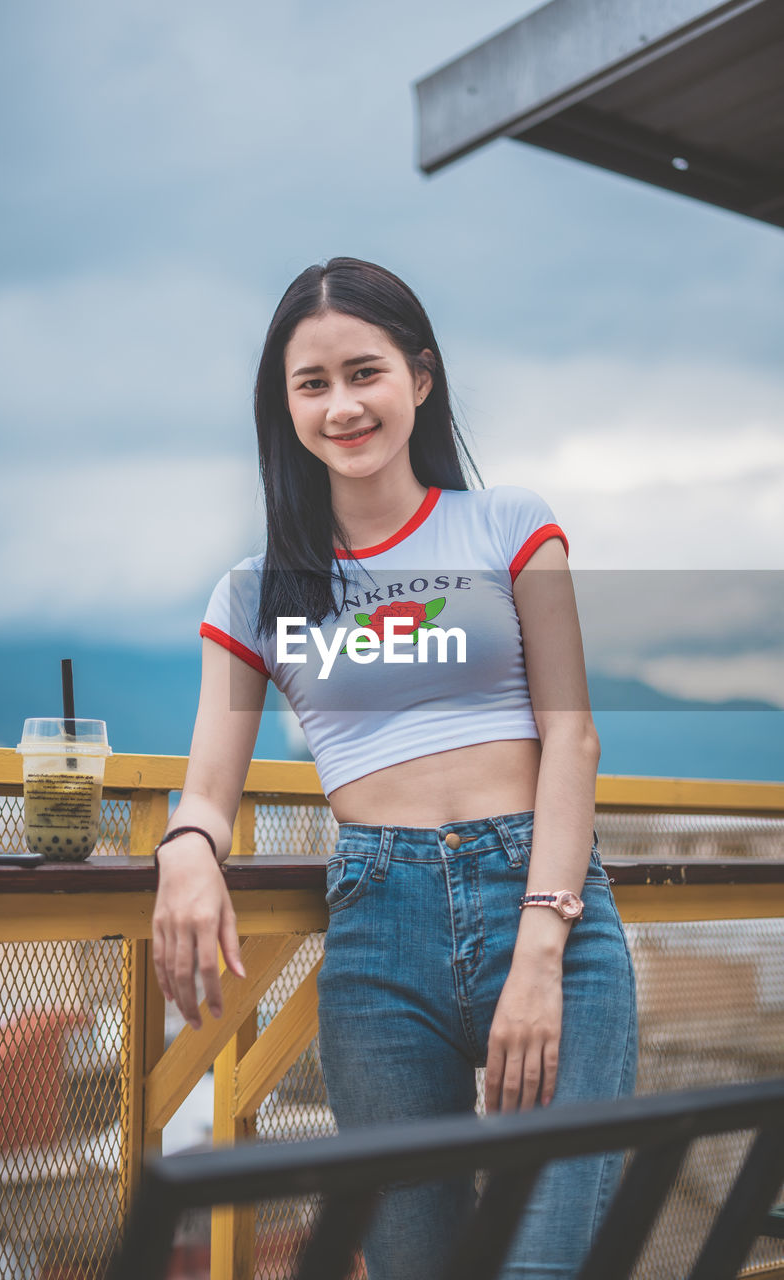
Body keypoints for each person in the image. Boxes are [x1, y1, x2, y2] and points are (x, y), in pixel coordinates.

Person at [151, 257, 638, 1279]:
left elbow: (573, 740)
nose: (342, 404)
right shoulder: (253, 592)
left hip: (542, 907)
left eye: (363, 371)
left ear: (419, 378)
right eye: (312, 383)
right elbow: (208, 785)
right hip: (377, 927)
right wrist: (188, 851)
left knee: (547, 1264)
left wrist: (541, 948)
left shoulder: (509, 525)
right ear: (282, 408)